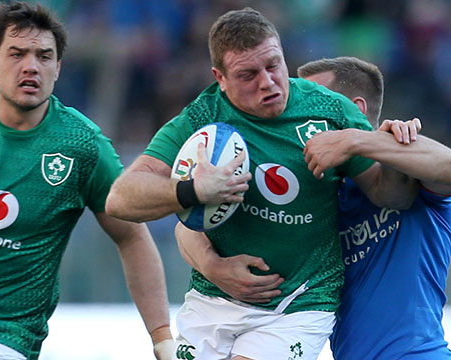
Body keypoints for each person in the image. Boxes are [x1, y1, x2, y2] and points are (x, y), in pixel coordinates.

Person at [106, 8, 416, 360]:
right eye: (248, 74)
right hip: (212, 301)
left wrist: (392, 151)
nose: (267, 82)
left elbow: (391, 195)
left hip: (298, 303)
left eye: (273, 65)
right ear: (219, 78)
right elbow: (120, 198)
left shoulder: (331, 111)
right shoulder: (202, 118)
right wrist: (192, 191)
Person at [0, 2, 173, 360]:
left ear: (58, 68)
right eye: (17, 54)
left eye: (44, 56)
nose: (31, 66)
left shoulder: (82, 145)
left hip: (0, 338)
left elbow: (132, 237)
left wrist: (162, 340)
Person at [176, 56, 451, 359]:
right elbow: (190, 225)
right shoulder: (313, 193)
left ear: (354, 110)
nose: (300, 111)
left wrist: (360, 141)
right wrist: (214, 266)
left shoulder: (404, 171)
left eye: (316, 100)